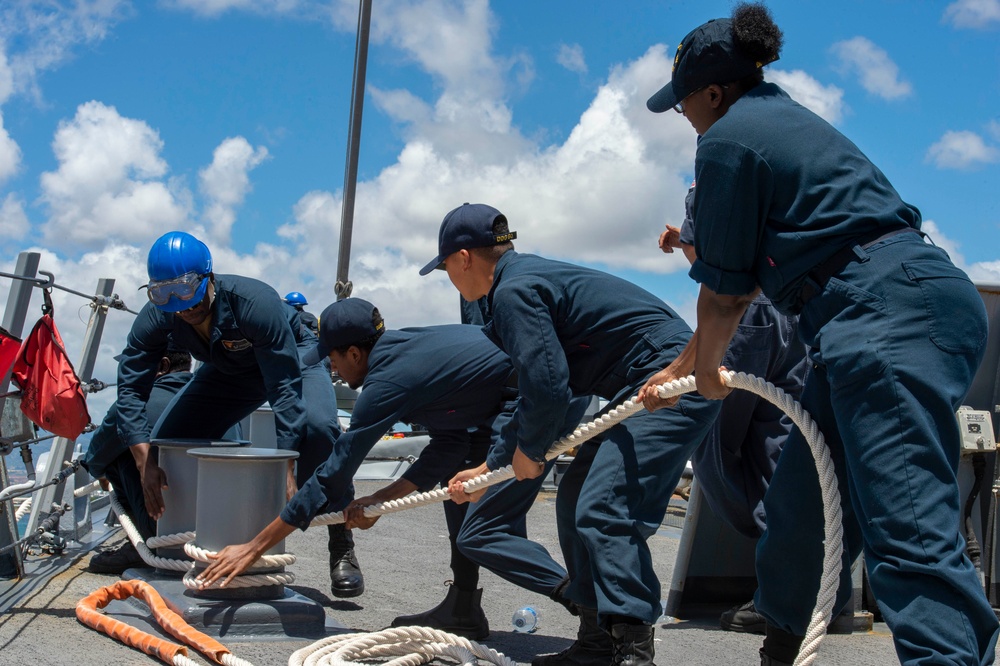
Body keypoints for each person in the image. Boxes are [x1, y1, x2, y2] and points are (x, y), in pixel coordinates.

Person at [641, 4, 997, 665]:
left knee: (906, 524)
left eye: (684, 101)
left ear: (713, 92)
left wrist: (704, 373)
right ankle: (784, 638)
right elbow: (731, 285)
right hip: (873, 312)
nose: (682, 114)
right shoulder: (775, 121)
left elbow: (724, 292)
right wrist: (682, 370)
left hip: (887, 313)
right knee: (803, 495)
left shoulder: (727, 140)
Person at [425, 203, 720, 666]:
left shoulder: (513, 291)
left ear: (463, 258)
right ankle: (598, 641)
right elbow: (539, 391)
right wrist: (492, 466)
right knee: (575, 496)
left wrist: (527, 450)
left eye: (445, 268)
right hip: (635, 388)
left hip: (669, 385)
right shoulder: (523, 281)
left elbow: (546, 385)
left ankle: (633, 652)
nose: (450, 279)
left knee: (604, 506)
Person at [194, 297, 587, 639]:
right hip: (511, 404)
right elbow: (451, 445)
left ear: (354, 353)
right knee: (458, 488)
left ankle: (593, 609)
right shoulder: (403, 352)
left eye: (331, 358)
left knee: (482, 533)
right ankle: (463, 608)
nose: (331, 369)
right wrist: (381, 499)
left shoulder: (388, 382)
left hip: (542, 402)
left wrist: (254, 546)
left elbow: (334, 471)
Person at [115, 231, 361, 598]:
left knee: (318, 427)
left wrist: (287, 467)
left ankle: (340, 539)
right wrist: (144, 460)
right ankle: (166, 543)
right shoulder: (160, 316)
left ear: (208, 277)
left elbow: (284, 388)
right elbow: (131, 386)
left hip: (295, 358)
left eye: (186, 289)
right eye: (163, 294)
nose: (180, 304)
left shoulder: (254, 303)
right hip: (231, 371)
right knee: (168, 441)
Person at [660, 180, 809, 634]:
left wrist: (684, 242)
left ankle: (766, 552)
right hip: (793, 317)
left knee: (709, 441)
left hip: (746, 318)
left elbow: (712, 270)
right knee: (777, 453)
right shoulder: (775, 183)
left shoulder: (711, 178)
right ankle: (791, 592)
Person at [82, 347, 196, 573]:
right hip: (221, 533)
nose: (127, 373)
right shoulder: (220, 401)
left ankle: (141, 546)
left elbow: (95, 457)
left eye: (133, 366)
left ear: (162, 367)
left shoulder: (133, 406)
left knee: (119, 453)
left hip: (162, 530)